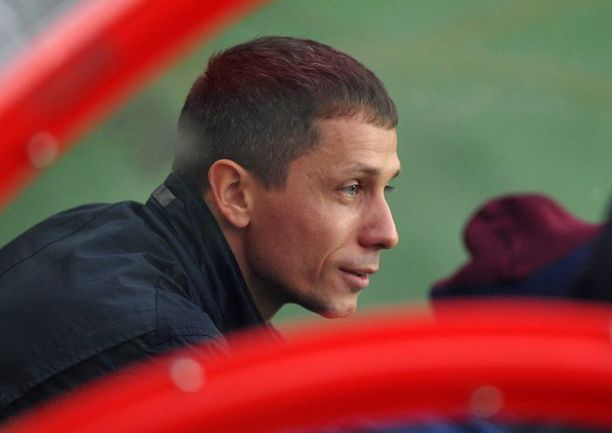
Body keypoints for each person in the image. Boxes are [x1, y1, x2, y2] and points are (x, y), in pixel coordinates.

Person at [0, 36, 400, 420]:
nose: (386, 233)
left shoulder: (98, 231)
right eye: (352, 188)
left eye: (386, 189)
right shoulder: (169, 356)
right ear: (235, 194)